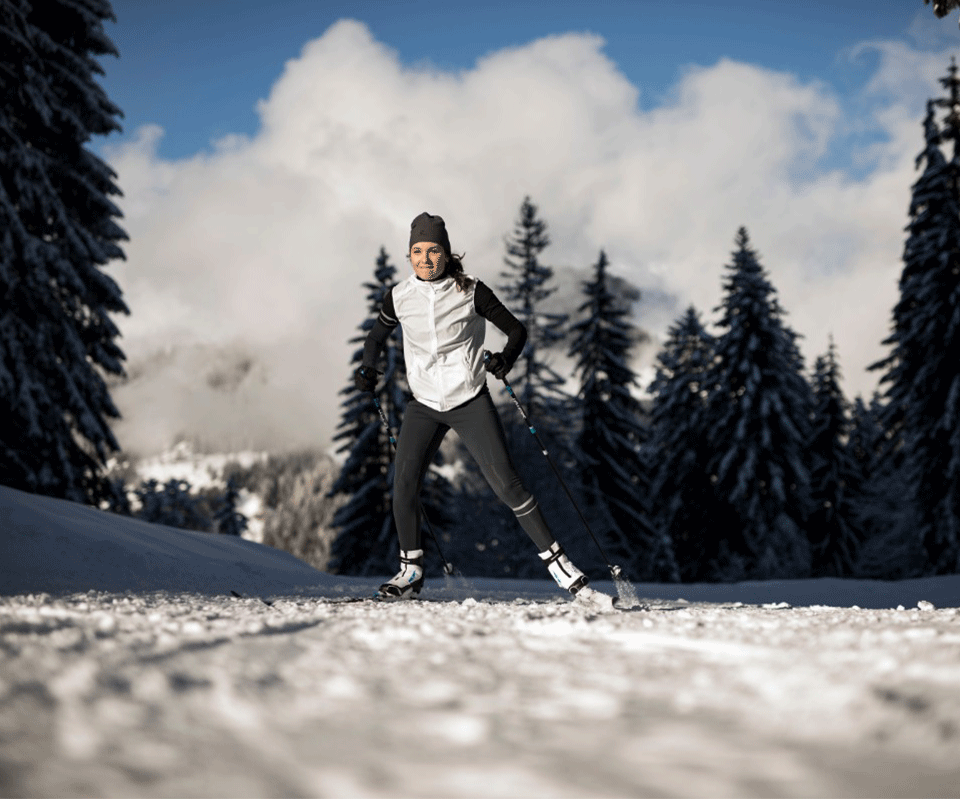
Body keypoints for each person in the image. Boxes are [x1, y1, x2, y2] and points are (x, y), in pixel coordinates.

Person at [355, 211, 602, 602]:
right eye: (417, 251)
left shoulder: (471, 291)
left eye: (433, 250)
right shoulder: (400, 297)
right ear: (409, 254)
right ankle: (410, 572)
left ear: (446, 253)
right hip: (424, 405)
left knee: (508, 484)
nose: (425, 259)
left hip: (469, 399)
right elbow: (375, 337)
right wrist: (368, 368)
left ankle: (563, 570)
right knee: (403, 484)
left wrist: (505, 358)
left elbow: (517, 330)